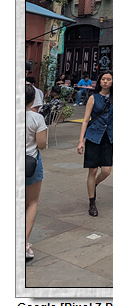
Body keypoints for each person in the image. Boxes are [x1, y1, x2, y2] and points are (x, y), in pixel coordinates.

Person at [77, 71, 113, 217]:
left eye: (108, 79)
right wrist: (80, 141)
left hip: (108, 136)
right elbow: (85, 120)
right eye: (103, 79)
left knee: (106, 170)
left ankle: (94, 184)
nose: (105, 81)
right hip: (93, 136)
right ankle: (92, 202)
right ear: (100, 81)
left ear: (112, 82)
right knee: (92, 170)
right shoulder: (93, 98)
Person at [25, 84, 47, 260]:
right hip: (30, 163)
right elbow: (41, 144)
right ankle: (22, 244)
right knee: (31, 202)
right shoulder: (37, 118)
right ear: (33, 100)